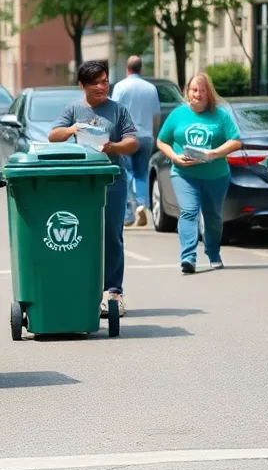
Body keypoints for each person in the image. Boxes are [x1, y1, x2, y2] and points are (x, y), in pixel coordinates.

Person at [49, 60, 139, 315]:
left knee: (112, 234)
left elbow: (132, 142)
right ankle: (84, 288)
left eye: (105, 81)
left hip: (112, 180)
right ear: (82, 85)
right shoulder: (73, 109)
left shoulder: (118, 110)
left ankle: (113, 292)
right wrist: (72, 129)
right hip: (82, 182)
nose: (101, 87)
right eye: (95, 83)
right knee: (82, 234)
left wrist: (113, 147)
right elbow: (53, 136)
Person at [155, 73, 242, 275]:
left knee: (213, 216)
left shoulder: (220, 115)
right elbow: (161, 141)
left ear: (209, 93)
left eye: (203, 90)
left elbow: (236, 141)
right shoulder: (178, 114)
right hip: (184, 174)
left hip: (215, 176)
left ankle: (213, 252)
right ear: (188, 91)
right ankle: (188, 258)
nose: (198, 94)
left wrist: (214, 153)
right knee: (188, 211)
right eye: (195, 90)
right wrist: (175, 158)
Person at [110, 56, 161, 227]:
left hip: (126, 137)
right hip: (146, 137)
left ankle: (128, 215)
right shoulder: (151, 89)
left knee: (125, 173)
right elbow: (156, 115)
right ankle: (141, 204)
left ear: (127, 68)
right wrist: (154, 135)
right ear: (141, 68)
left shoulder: (120, 87)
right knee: (141, 173)